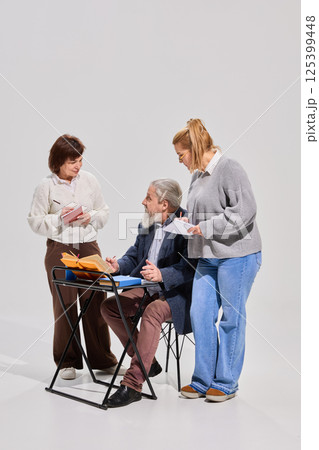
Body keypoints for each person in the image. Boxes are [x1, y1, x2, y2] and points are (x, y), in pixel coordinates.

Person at [172, 118, 262, 402]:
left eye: (181, 155)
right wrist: (189, 221)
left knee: (232, 319)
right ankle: (202, 380)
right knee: (199, 315)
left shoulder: (230, 168)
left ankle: (226, 382)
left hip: (238, 255)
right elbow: (204, 214)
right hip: (208, 257)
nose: (180, 161)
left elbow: (244, 211)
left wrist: (206, 227)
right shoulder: (196, 176)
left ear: (194, 148)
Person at [28, 134, 123, 380]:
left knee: (96, 300)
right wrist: (60, 218)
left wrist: (90, 216)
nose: (78, 166)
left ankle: (103, 359)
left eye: (80, 160)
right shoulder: (45, 186)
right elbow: (35, 221)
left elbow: (104, 211)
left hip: (88, 245)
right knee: (66, 304)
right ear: (59, 161)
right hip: (59, 248)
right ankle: (67, 361)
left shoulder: (90, 181)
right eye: (73, 161)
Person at [100, 179, 194, 408]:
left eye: (148, 198)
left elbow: (191, 268)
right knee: (110, 307)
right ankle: (146, 362)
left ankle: (132, 384)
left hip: (175, 294)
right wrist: (118, 266)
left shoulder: (187, 223)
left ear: (164, 204)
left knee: (152, 313)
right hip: (147, 288)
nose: (143, 201)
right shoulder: (148, 224)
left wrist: (162, 275)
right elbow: (134, 256)